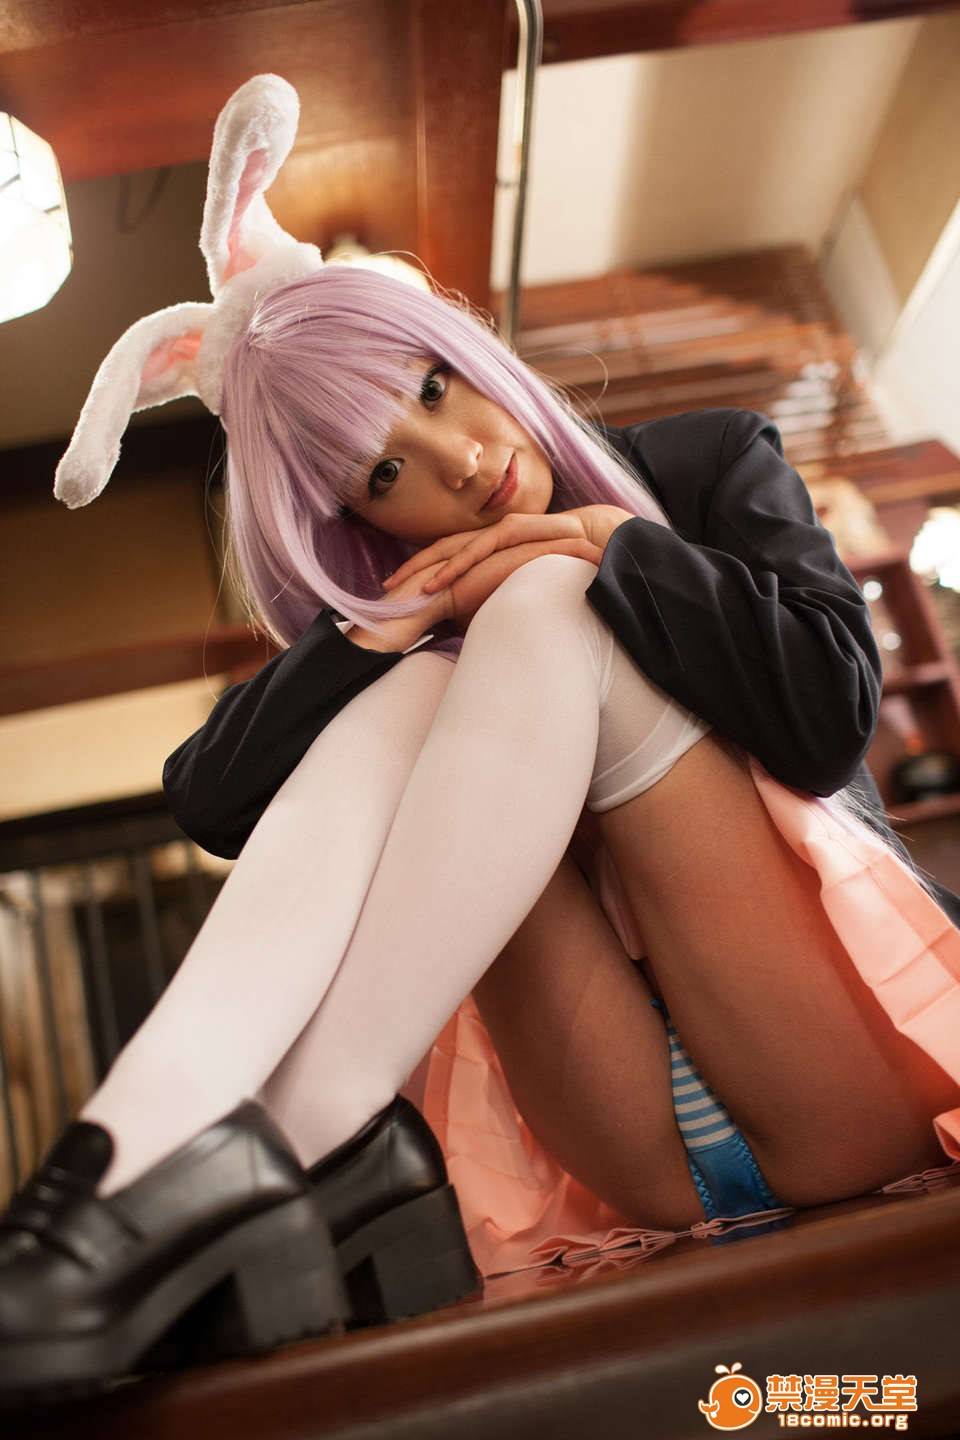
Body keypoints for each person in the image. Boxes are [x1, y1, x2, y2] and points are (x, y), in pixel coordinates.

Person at [3, 73, 960, 1401]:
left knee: (549, 599)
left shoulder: (708, 463)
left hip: (834, 1081)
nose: (454, 461)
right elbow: (206, 796)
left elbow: (828, 715)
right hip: (644, 1149)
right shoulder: (406, 610)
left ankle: (273, 1139)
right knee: (421, 681)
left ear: (470, 349)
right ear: (357, 523)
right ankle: (153, 1150)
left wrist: (611, 546)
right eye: (383, 473)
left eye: (436, 386)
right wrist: (372, 633)